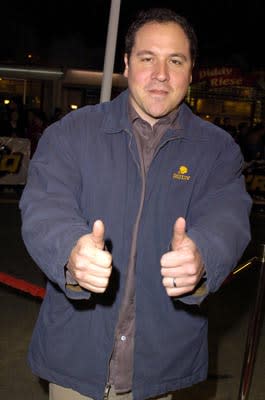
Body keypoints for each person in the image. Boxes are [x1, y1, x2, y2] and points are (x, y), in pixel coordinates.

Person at [19, 7, 252, 400]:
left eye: (175, 60)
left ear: (191, 70)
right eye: (147, 58)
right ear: (127, 64)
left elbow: (227, 215)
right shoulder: (72, 133)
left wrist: (204, 253)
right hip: (75, 359)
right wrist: (70, 252)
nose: (161, 73)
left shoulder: (217, 150)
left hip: (161, 364)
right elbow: (44, 204)